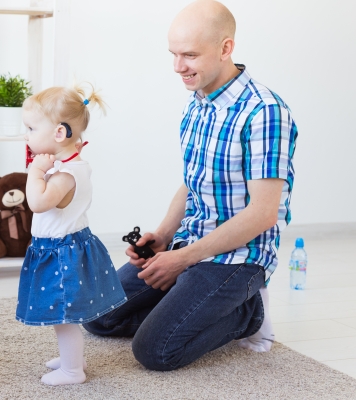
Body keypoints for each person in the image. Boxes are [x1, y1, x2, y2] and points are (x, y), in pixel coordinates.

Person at [83, 0, 297, 371]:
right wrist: (165, 236)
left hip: (238, 258)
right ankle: (185, 304)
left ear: (226, 48)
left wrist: (182, 260)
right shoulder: (197, 103)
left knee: (155, 351)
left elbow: (263, 214)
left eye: (190, 55)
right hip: (189, 243)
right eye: (174, 54)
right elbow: (193, 181)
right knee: (98, 318)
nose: (178, 66)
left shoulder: (265, 112)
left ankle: (249, 314)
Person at [17, 85, 128, 386]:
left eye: (30, 128)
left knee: (64, 318)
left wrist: (34, 173)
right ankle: (72, 358)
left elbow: (38, 203)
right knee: (63, 315)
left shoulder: (65, 175)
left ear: (58, 134)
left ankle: (72, 370)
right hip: (61, 248)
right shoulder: (67, 166)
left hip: (61, 253)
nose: (25, 134)